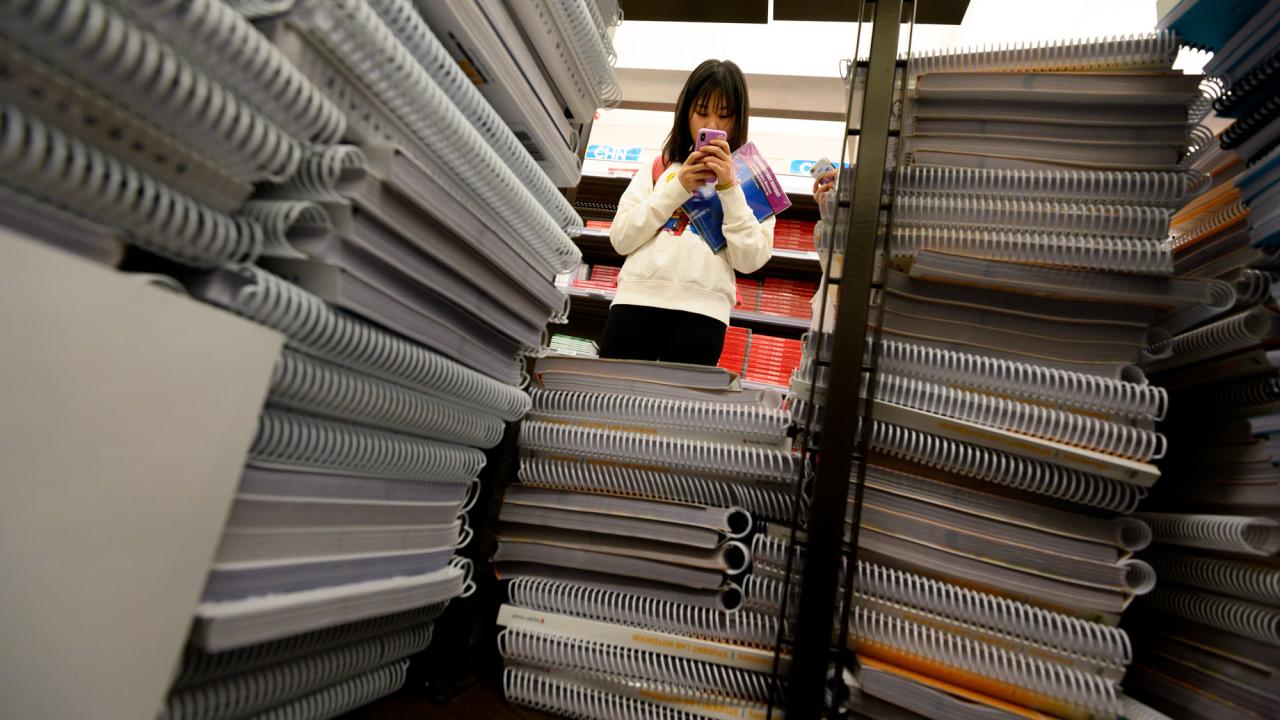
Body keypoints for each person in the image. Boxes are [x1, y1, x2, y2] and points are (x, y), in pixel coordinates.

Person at [600, 59, 774, 366]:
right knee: (615, 405)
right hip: (634, 302)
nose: (713, 126)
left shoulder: (753, 182)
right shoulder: (659, 168)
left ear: (738, 119)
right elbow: (620, 240)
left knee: (678, 412)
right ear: (686, 113)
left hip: (704, 314)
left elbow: (750, 261)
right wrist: (678, 186)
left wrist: (730, 189)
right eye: (702, 112)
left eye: (724, 116)